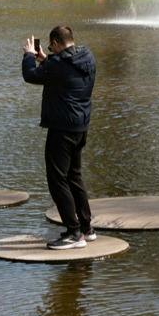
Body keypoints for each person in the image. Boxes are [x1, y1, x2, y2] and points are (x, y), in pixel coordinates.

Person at [22, 25, 97, 249]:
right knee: (74, 176)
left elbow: (30, 76)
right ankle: (87, 227)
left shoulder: (58, 64)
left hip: (62, 129)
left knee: (57, 179)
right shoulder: (87, 57)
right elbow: (64, 72)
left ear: (55, 42)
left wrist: (29, 56)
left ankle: (74, 234)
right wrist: (46, 59)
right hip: (80, 127)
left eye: (50, 47)